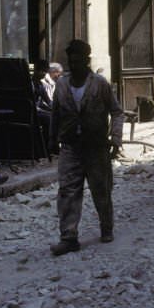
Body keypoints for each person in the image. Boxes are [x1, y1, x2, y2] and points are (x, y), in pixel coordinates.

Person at [51, 40, 125, 256]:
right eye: (70, 62)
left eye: (78, 61)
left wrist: (116, 139)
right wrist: (51, 139)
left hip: (96, 146)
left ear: (87, 61)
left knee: (100, 189)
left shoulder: (100, 84)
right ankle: (68, 237)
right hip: (71, 147)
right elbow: (56, 114)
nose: (74, 65)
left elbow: (117, 112)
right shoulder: (62, 85)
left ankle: (106, 227)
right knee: (67, 190)